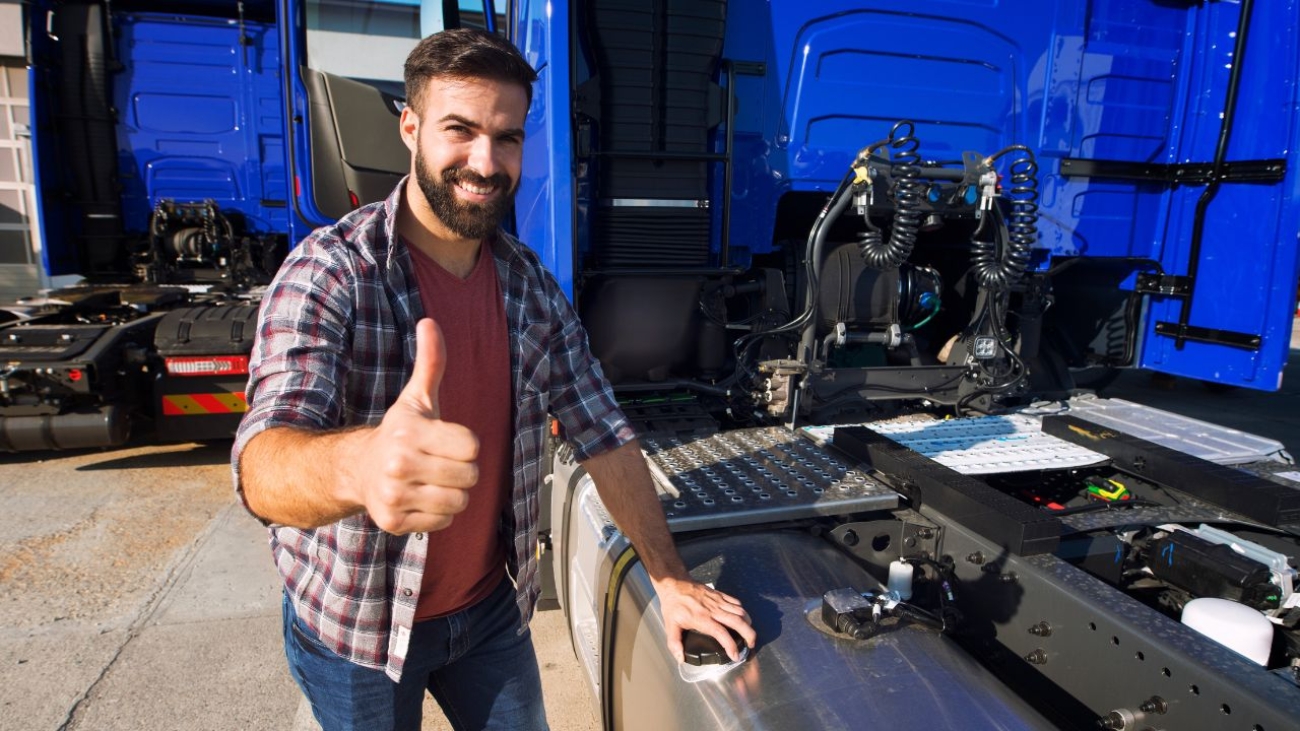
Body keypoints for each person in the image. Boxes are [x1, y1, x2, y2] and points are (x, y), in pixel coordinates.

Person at [232, 27, 755, 731]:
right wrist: (362, 464)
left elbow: (602, 430)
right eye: (460, 130)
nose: (485, 161)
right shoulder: (332, 273)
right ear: (410, 127)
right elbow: (261, 463)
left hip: (488, 614)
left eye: (506, 137)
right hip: (357, 629)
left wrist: (668, 575)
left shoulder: (529, 285)